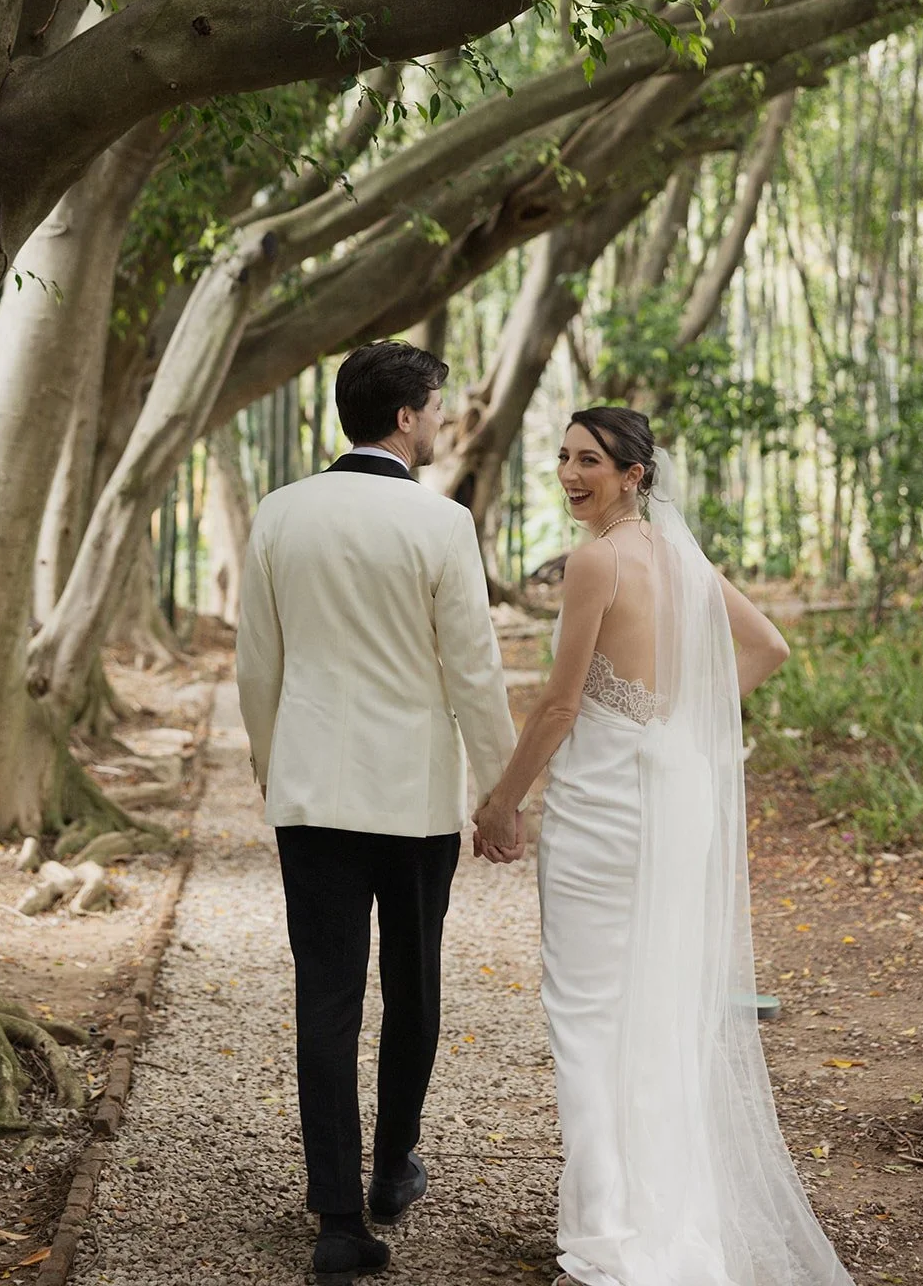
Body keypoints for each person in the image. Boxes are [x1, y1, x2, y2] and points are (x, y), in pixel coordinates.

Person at [474, 407, 856, 1286]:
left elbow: (560, 705)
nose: (570, 475)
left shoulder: (596, 562)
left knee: (586, 1016)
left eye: (590, 461)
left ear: (634, 475)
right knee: (657, 1010)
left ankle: (610, 1234)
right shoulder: (680, 558)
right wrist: (682, 716)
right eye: (563, 458)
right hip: (670, 796)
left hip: (603, 809)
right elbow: (766, 646)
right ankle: (664, 1215)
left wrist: (501, 802)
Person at [237, 341, 523, 1284]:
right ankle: (394, 1167)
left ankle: (335, 1217)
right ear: (405, 417)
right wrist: (499, 794)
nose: (441, 421)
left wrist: (272, 764)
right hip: (411, 797)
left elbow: (258, 664)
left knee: (324, 997)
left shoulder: (281, 513)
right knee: (412, 986)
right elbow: (472, 669)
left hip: (313, 793)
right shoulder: (440, 523)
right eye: (436, 407)